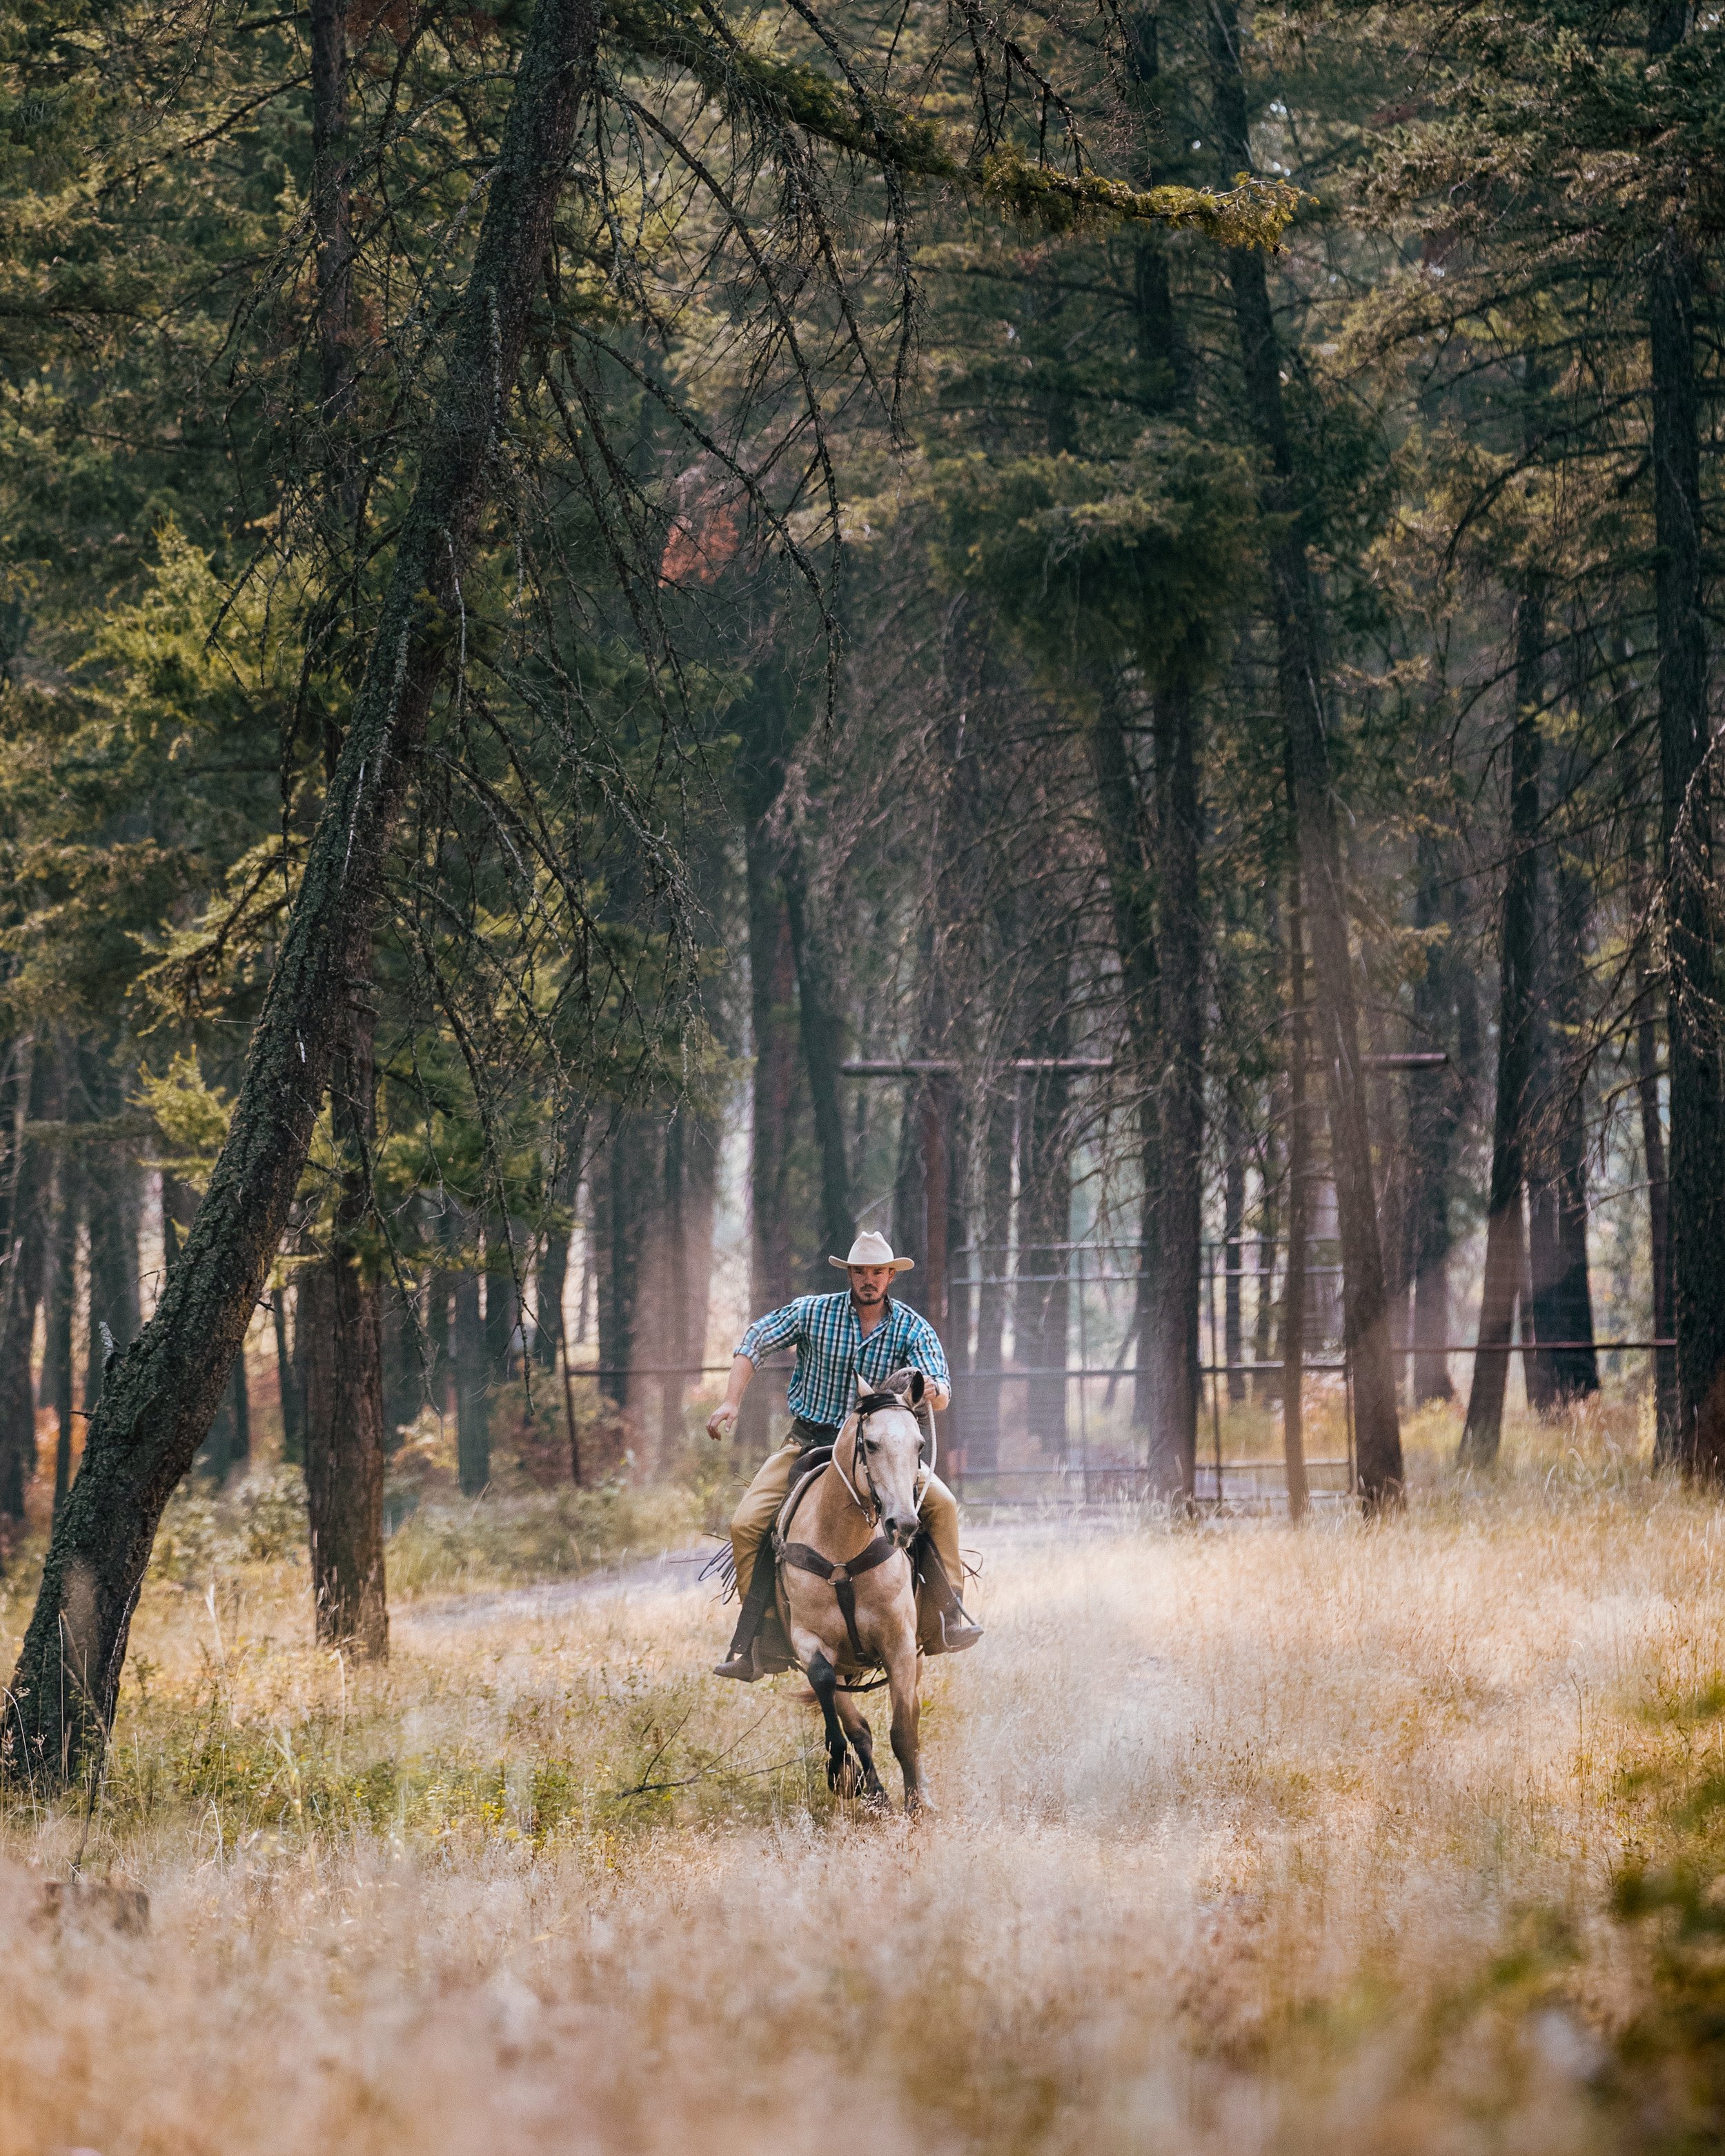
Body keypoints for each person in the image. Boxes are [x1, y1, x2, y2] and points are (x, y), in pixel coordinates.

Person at [707, 1230, 981, 1680]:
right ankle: (763, 1637)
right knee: (746, 1523)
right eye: (860, 1271)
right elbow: (756, 1337)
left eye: (877, 1271)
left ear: (891, 1275)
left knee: (942, 1507)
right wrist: (731, 1400)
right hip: (809, 1441)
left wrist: (933, 1390)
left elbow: (941, 1386)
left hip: (881, 1451)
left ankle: (945, 1619)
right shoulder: (814, 1312)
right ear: (849, 1274)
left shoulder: (911, 1325)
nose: (869, 1279)